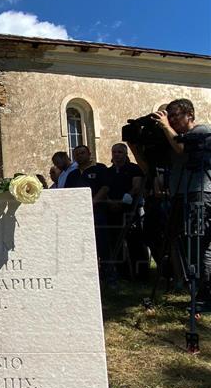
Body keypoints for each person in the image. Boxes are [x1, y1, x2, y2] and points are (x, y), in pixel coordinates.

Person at [129, 98, 211, 304]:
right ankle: (194, 290)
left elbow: (183, 150)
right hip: (179, 196)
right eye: (169, 116)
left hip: (199, 193)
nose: (171, 120)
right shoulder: (173, 139)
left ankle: (203, 296)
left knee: (198, 246)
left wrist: (165, 126)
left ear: (190, 115)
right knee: (179, 241)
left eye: (175, 115)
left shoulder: (202, 131)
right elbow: (149, 169)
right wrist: (134, 147)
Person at [65, 145, 111, 281]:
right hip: (78, 217)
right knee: (83, 247)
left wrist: (93, 202)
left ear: (89, 153)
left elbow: (105, 187)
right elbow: (67, 193)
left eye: (82, 153)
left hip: (97, 213)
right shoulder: (72, 174)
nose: (79, 156)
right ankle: (86, 277)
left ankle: (109, 277)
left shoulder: (100, 169)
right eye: (77, 154)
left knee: (102, 245)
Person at [104, 143, 147, 279]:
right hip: (112, 211)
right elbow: (104, 189)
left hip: (130, 209)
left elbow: (136, 186)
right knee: (116, 242)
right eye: (114, 152)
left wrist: (124, 200)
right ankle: (122, 274)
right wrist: (110, 202)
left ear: (125, 154)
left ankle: (141, 274)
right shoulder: (108, 172)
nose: (116, 155)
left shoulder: (134, 169)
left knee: (135, 242)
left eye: (119, 152)